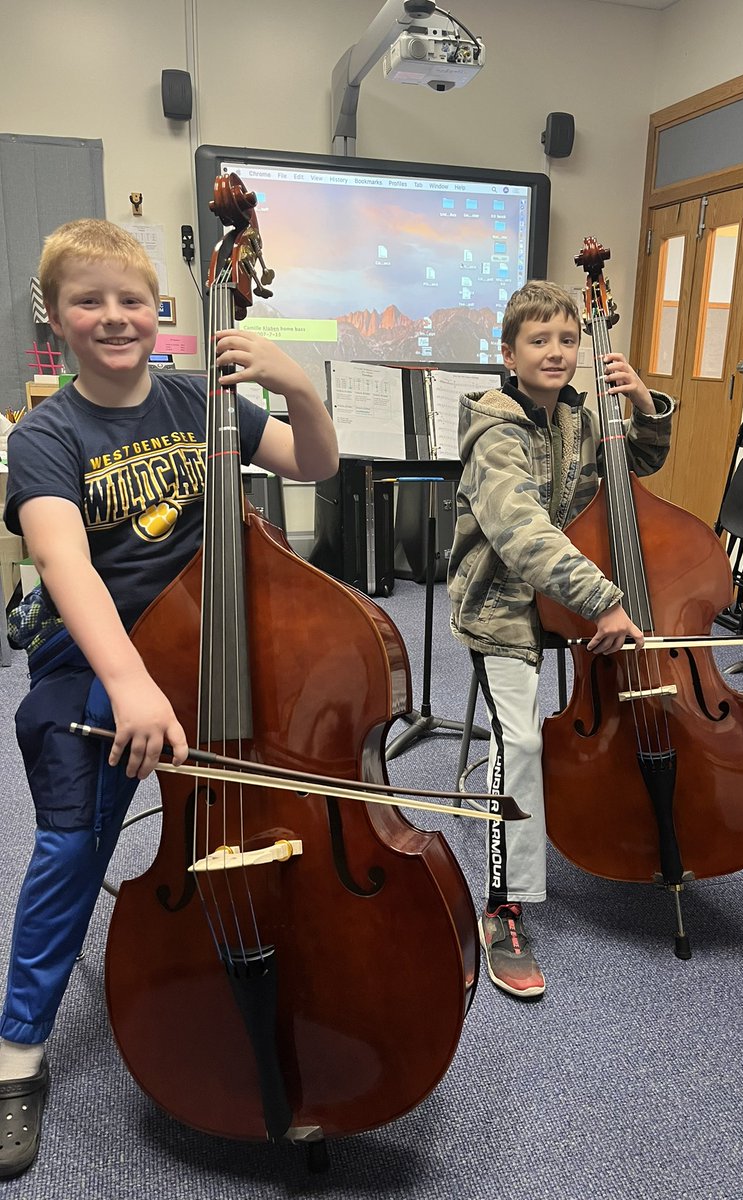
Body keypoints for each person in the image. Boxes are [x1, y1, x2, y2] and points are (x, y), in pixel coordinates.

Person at [0, 219, 339, 1179]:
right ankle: (17, 1052)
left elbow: (316, 464)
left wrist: (298, 387)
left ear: (161, 311)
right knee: (72, 843)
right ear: (54, 318)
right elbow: (66, 566)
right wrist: (130, 681)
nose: (113, 317)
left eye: (131, 299)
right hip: (96, 654)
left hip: (211, 640)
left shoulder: (202, 400)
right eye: (88, 301)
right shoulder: (47, 436)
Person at [447, 279, 674, 1000]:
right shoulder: (494, 430)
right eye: (538, 340)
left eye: (568, 339)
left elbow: (638, 467)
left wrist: (645, 406)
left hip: (568, 600)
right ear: (508, 354)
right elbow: (521, 532)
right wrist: (605, 600)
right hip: (504, 604)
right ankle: (503, 908)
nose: (556, 351)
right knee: (519, 743)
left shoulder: (581, 418)